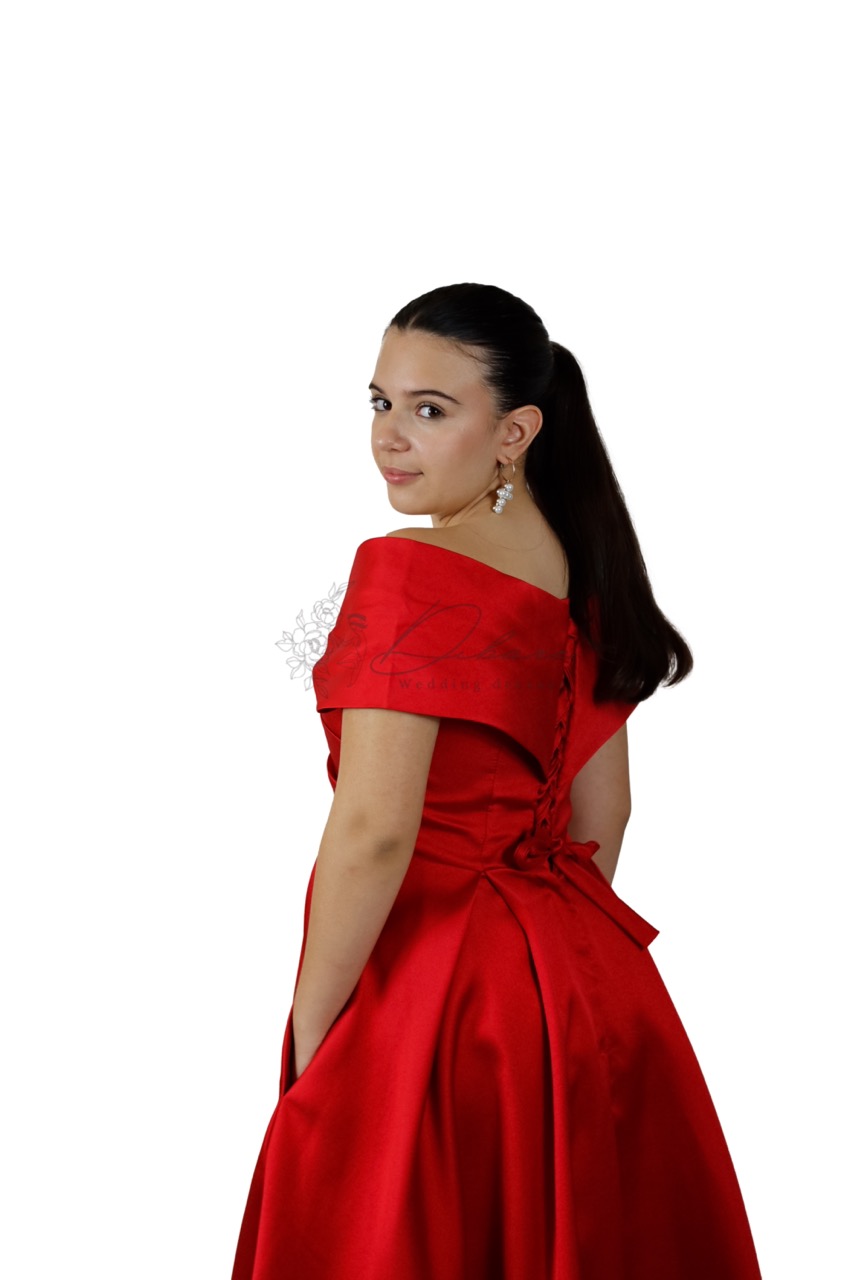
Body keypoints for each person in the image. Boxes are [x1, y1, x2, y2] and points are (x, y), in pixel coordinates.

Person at [231, 282, 762, 1278]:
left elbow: (374, 831)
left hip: (431, 988)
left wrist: (312, 1033)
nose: (390, 436)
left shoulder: (410, 569)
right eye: (380, 402)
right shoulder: (579, 568)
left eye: (431, 409)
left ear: (515, 431)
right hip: (584, 986)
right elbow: (604, 811)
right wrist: (542, 973)